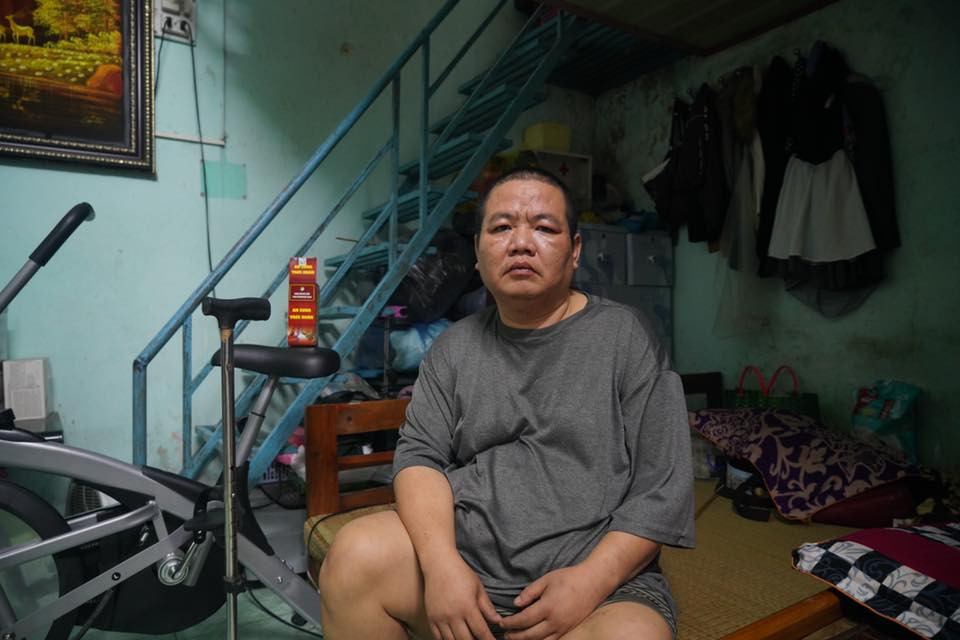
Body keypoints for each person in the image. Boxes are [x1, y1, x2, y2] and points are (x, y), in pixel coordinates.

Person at [319, 167, 695, 640]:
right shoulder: (453, 348)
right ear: (477, 254)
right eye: (501, 228)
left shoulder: (626, 336)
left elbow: (662, 489)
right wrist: (442, 566)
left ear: (575, 250)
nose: (520, 243)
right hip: (467, 559)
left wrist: (590, 581)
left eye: (544, 228)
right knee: (354, 556)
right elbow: (419, 459)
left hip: (597, 577)